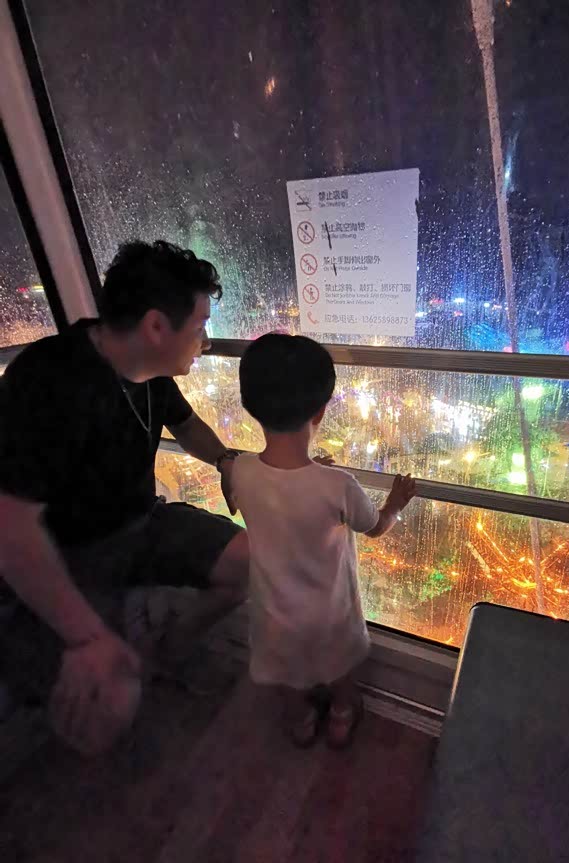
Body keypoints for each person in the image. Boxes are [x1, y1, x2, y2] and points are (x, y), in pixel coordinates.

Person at [0, 240, 248, 756]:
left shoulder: (147, 368)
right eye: (200, 326)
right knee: (105, 713)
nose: (205, 343)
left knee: (251, 560)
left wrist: (226, 461)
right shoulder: (50, 382)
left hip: (141, 522)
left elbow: (186, 425)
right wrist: (87, 637)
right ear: (156, 326)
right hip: (70, 553)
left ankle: (166, 656)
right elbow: (12, 528)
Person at [230, 333, 415, 748]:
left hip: (273, 611)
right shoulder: (337, 485)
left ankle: (301, 721)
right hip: (329, 614)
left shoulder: (240, 470)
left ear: (249, 405)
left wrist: (309, 469)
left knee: (286, 674)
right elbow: (375, 527)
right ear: (321, 410)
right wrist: (395, 504)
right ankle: (341, 716)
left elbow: (277, 502)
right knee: (339, 670)